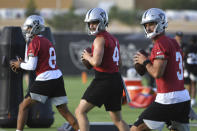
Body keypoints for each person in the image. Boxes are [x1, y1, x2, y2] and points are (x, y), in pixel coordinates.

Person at [10, 15, 79, 131]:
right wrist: (23, 63)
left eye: (28, 27)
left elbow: (32, 66)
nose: (26, 30)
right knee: (64, 111)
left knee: (23, 107)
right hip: (57, 77)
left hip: (45, 78)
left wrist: (19, 65)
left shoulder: (34, 42)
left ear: (35, 27)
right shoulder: (46, 41)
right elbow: (37, 61)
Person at [131, 8, 190, 131]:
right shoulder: (173, 41)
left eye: (151, 24)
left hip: (168, 99)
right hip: (183, 98)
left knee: (135, 129)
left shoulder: (160, 43)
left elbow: (157, 73)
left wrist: (145, 61)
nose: (148, 28)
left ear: (161, 23)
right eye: (146, 25)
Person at [75, 8, 129, 131]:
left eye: (94, 22)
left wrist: (87, 56)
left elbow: (96, 62)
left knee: (80, 111)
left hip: (103, 80)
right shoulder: (114, 39)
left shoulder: (99, 39)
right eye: (90, 23)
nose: (91, 26)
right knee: (118, 120)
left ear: (102, 21)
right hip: (116, 80)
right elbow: (119, 64)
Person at [184, 35, 197, 107]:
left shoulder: (187, 48)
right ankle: (193, 100)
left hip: (188, 67)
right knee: (194, 84)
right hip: (195, 68)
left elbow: (184, 57)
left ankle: (187, 99)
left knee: (188, 84)